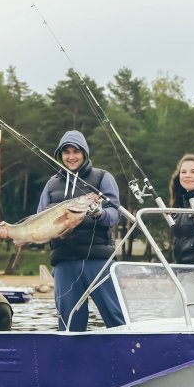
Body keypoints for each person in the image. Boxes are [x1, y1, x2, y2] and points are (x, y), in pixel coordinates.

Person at [32, 129, 125, 331]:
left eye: (76, 151)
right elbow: (39, 219)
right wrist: (14, 232)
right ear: (60, 155)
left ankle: (132, 355)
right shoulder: (51, 184)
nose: (71, 156)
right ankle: (72, 359)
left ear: (84, 153)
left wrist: (99, 213)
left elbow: (115, 215)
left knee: (116, 316)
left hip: (98, 260)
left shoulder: (102, 177)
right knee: (69, 323)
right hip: (64, 262)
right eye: (66, 152)